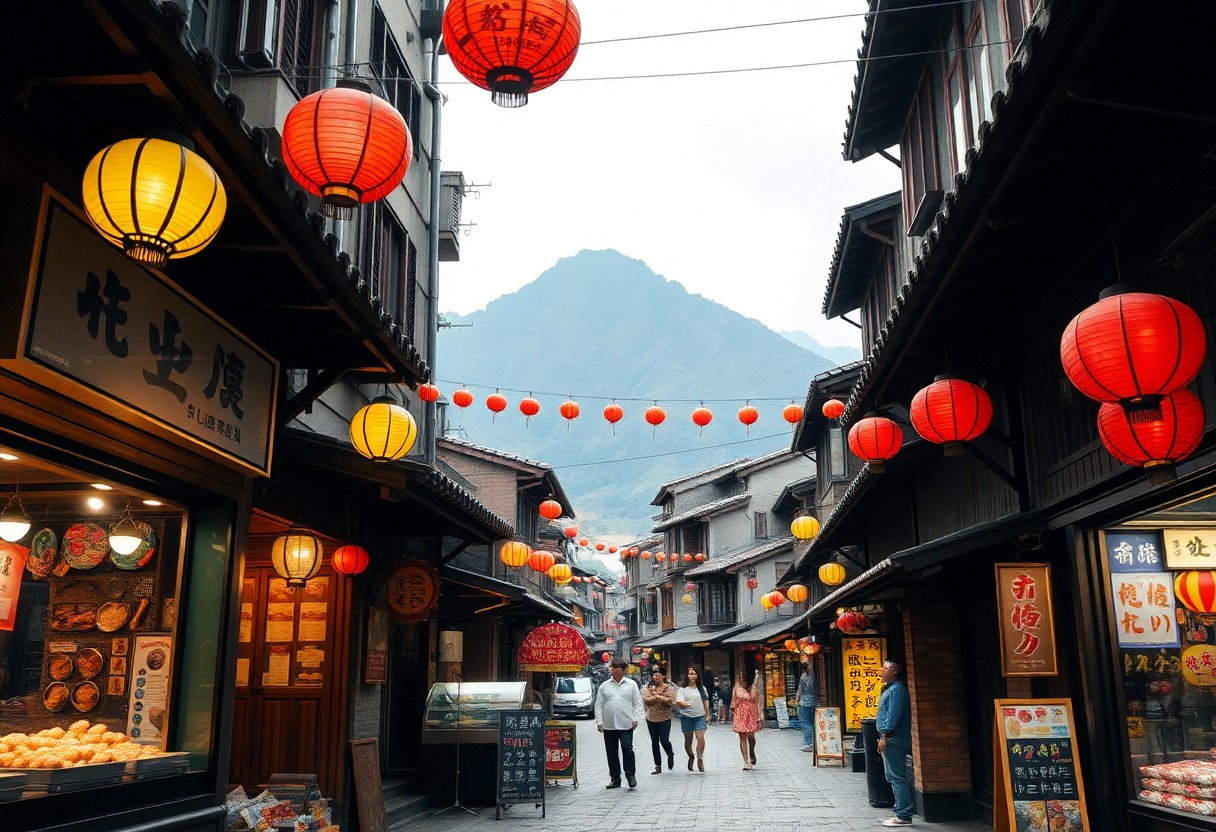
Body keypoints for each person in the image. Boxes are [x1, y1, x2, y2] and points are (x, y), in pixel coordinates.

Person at [595, 657, 645, 789]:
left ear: (624, 670)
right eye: (613, 668)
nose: (615, 671)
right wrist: (599, 721)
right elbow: (599, 705)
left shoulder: (631, 685)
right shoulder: (604, 686)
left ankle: (630, 774)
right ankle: (615, 778)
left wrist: (636, 718)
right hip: (609, 724)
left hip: (626, 723)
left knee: (627, 749)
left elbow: (637, 703)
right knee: (611, 752)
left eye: (618, 669)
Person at [876, 660, 914, 827]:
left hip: (894, 738)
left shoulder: (897, 690)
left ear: (895, 672)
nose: (881, 671)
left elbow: (893, 715)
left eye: (885, 668)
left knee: (897, 776)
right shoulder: (891, 689)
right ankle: (900, 811)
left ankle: (903, 814)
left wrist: (885, 736)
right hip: (891, 737)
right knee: (893, 776)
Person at [641, 666, 677, 774]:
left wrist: (656, 696)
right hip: (651, 718)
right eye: (654, 674)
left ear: (663, 675)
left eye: (658, 674)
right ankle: (658, 766)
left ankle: (670, 754)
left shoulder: (669, 687)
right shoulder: (649, 687)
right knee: (654, 742)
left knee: (664, 740)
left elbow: (670, 700)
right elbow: (646, 700)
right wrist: (659, 697)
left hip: (665, 718)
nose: (656, 676)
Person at [675, 667, 711, 772]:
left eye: (694, 674)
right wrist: (687, 704)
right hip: (686, 717)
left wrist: (707, 715)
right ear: (687, 676)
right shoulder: (682, 689)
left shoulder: (702, 688)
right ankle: (691, 756)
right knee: (688, 740)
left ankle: (700, 758)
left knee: (700, 737)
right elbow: (679, 702)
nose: (692, 676)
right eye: (690, 674)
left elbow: (705, 702)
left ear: (697, 676)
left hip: (700, 716)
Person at [731, 669, 762, 770]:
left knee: (751, 735)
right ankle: (745, 761)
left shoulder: (753, 684)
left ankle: (752, 751)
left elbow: (758, 700)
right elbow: (733, 702)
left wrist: (759, 714)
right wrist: (734, 713)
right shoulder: (737, 687)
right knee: (742, 736)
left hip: (752, 712)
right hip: (741, 713)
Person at [797, 662, 818, 752]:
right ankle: (814, 742)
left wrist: (797, 699)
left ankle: (809, 743)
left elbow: (800, 690)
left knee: (806, 723)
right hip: (812, 701)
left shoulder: (803, 677)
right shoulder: (813, 676)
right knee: (812, 723)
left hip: (804, 702)